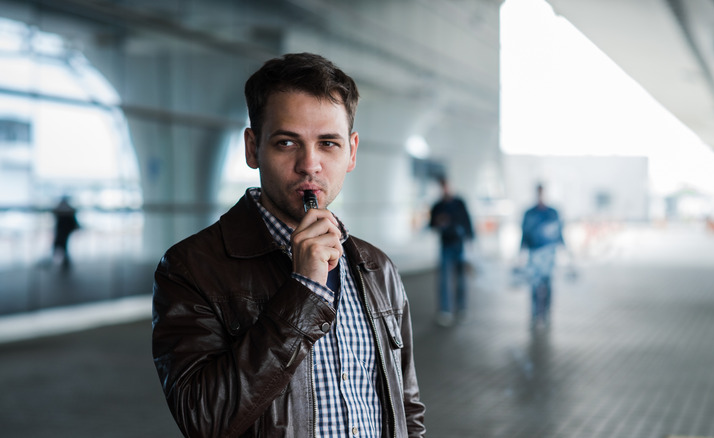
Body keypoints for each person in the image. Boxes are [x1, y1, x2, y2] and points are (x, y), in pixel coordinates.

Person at [152, 53, 425, 438]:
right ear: (253, 148)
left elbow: (406, 409)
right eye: (286, 143)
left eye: (328, 144)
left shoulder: (376, 267)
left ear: (352, 151)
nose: (309, 164)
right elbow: (204, 420)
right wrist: (304, 291)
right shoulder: (191, 267)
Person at [429, 176, 474, 327]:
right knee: (444, 279)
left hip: (460, 245)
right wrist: (439, 222)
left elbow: (468, 222)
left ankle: (461, 308)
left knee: (461, 278)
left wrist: (470, 243)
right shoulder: (437, 206)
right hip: (446, 246)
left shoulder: (459, 203)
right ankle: (445, 310)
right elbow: (432, 224)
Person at [520, 183, 564, 328]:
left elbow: (559, 231)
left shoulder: (552, 213)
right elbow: (524, 233)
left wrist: (564, 248)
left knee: (548, 284)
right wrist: (521, 251)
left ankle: (545, 314)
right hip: (534, 253)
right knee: (534, 284)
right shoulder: (529, 213)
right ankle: (534, 314)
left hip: (549, 254)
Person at [51, 195, 79, 268]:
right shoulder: (68, 209)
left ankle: (64, 262)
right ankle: (64, 262)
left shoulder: (62, 209)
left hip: (63, 230)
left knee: (61, 244)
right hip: (64, 230)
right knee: (62, 245)